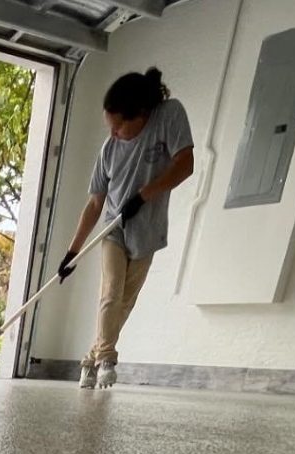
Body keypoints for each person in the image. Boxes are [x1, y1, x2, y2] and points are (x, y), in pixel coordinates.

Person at [59, 67, 194, 389]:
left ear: (142, 114)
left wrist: (143, 196)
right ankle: (107, 359)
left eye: (120, 125)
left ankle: (89, 361)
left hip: (147, 230)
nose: (115, 132)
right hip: (114, 228)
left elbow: (185, 164)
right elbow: (94, 205)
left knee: (124, 303)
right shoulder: (109, 149)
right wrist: (71, 254)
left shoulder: (167, 116)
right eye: (111, 125)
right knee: (111, 292)